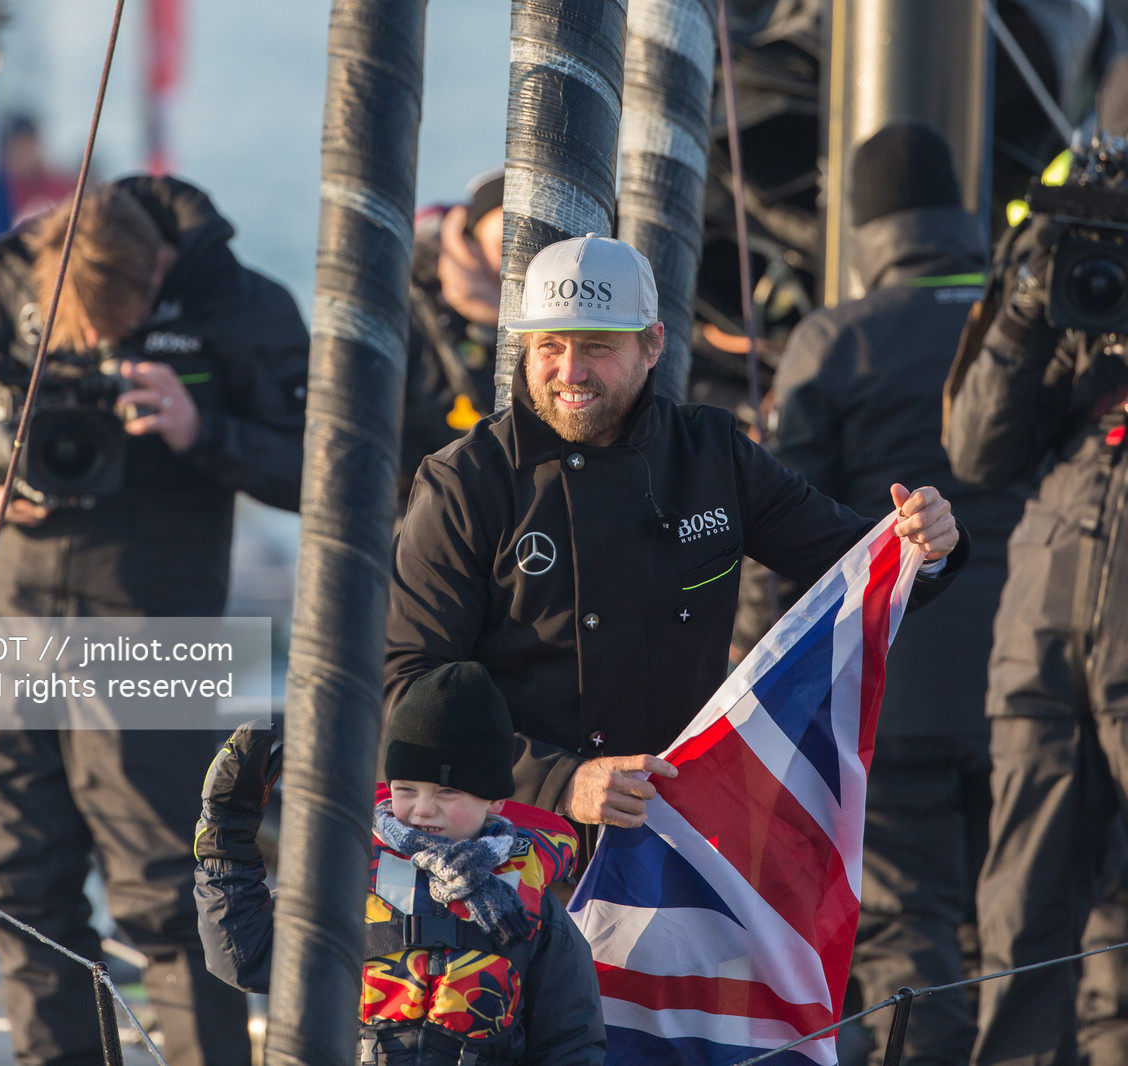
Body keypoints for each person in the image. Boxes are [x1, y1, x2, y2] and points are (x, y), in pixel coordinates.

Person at [384, 234, 968, 866]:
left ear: (653, 344)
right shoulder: (465, 482)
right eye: (550, 347)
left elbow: (861, 563)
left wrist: (925, 544)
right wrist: (561, 782)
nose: (570, 372)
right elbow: (405, 686)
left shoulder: (713, 454)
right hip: (515, 849)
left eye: (598, 347)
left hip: (679, 849)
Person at [0, 175, 310, 1066]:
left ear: (154, 277)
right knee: (16, 888)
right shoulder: (12, 278)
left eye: (101, 339)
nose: (83, 348)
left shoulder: (236, 305)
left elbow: (322, 465)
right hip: (10, 628)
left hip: (154, 636)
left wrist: (203, 429)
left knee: (174, 898)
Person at [768, 123, 1028, 1066]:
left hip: (894, 693)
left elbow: (781, 540)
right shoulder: (1026, 328)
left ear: (864, 225)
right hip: (1042, 684)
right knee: (1038, 920)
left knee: (907, 928)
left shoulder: (838, 341)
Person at [945, 59, 1128, 1066]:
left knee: (1117, 950)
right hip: (1043, 650)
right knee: (1017, 932)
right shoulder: (1074, 236)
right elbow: (976, 450)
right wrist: (1026, 301)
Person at [193, 663, 607, 1065]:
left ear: (495, 801)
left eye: (448, 792)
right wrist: (226, 832)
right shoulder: (349, 881)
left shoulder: (532, 905)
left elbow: (571, 1041)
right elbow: (245, 955)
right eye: (407, 789)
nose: (423, 810)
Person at [399, 170, 506, 506]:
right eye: (506, 244)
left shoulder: (573, 316)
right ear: (470, 242)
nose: (521, 262)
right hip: (423, 512)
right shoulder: (417, 308)